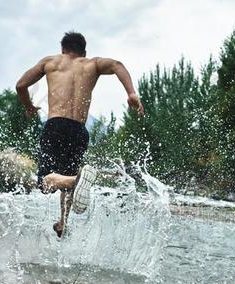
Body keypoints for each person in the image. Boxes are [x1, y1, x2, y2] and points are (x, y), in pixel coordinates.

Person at [16, 32, 144, 237]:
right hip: (79, 131)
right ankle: (63, 222)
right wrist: (131, 93)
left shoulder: (51, 62)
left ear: (63, 50)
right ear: (84, 51)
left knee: (45, 183)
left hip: (55, 125)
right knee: (65, 176)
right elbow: (117, 64)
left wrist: (29, 106)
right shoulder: (92, 64)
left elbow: (20, 85)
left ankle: (75, 180)